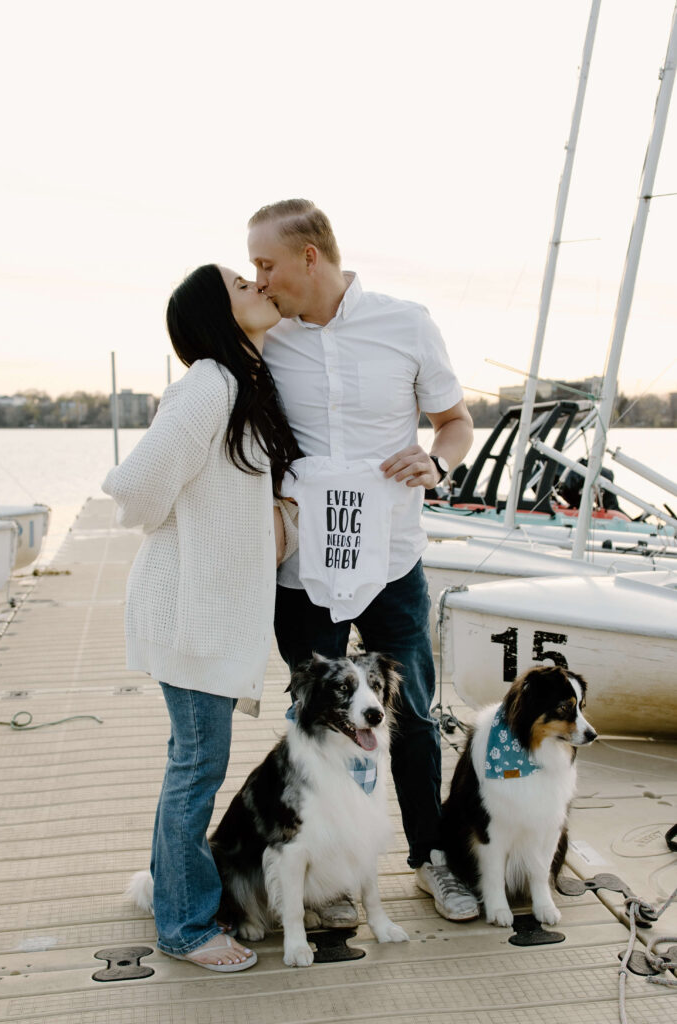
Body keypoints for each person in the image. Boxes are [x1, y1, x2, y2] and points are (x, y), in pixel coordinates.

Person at [247, 199, 479, 923]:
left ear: (309, 257)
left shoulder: (405, 323)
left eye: (266, 265)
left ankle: (430, 861)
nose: (258, 282)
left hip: (390, 561)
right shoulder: (264, 335)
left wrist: (436, 463)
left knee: (406, 714)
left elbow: (454, 422)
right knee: (315, 721)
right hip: (301, 571)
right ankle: (329, 875)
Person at [102, 264, 301, 970]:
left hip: (210, 615)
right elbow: (134, 487)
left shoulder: (238, 383)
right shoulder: (209, 385)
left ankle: (174, 897)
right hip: (189, 614)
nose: (259, 286)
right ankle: (184, 927)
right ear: (219, 313)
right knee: (196, 769)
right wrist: (175, 527)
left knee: (192, 765)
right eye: (243, 284)